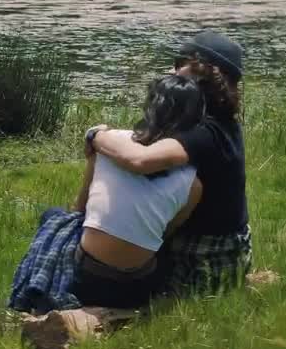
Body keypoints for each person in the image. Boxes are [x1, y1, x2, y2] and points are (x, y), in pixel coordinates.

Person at [9, 75, 205, 314]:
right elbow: (166, 233)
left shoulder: (111, 143)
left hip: (88, 281)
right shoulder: (193, 183)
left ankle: (48, 292)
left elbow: (79, 208)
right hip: (138, 288)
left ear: (151, 107)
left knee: (53, 216)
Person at [90, 30, 252, 298]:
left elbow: (139, 160)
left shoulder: (204, 133)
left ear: (203, 73)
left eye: (180, 63)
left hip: (204, 256)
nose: (171, 69)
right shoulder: (221, 123)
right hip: (230, 249)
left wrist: (97, 136)